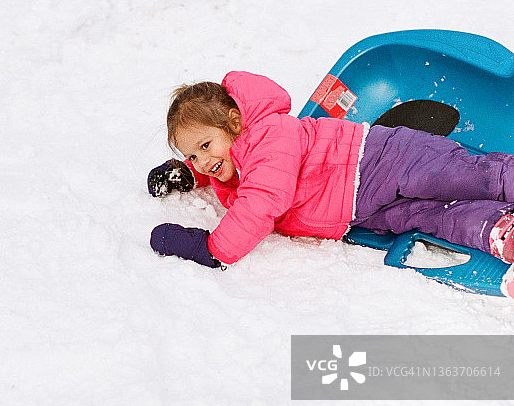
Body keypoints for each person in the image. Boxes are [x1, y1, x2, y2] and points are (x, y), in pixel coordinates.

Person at [147, 71, 514, 296]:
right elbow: (232, 169)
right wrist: (190, 173)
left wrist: (213, 249)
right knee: (438, 218)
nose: (204, 162)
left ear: (235, 122)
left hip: (378, 159)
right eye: (193, 155)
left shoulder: (269, 136)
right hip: (362, 210)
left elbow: (262, 201)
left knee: (463, 176)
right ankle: (501, 230)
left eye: (205, 146)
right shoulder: (234, 161)